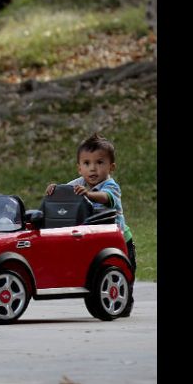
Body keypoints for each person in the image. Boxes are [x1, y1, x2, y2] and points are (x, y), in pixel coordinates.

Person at [46, 133, 136, 316]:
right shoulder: (78, 184)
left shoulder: (110, 186)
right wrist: (55, 189)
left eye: (99, 163)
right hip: (95, 239)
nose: (93, 169)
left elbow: (106, 198)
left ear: (111, 167)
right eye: (87, 164)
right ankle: (98, 297)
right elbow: (65, 191)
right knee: (97, 272)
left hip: (119, 240)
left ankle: (123, 304)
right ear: (79, 168)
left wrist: (88, 194)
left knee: (123, 273)